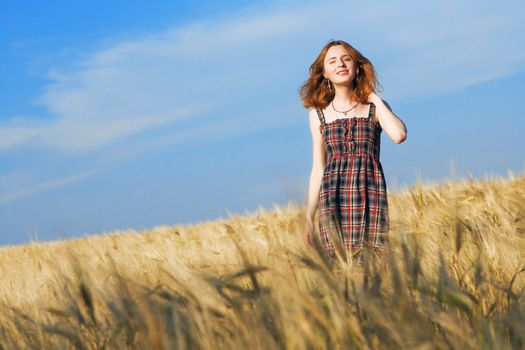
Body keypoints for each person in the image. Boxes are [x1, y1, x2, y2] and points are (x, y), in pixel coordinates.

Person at [300, 39, 407, 267]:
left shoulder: (375, 108)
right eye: (332, 61)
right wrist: (309, 217)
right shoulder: (318, 114)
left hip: (370, 192)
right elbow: (318, 168)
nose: (340, 64)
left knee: (372, 264)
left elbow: (399, 135)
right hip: (333, 197)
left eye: (346, 59)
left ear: (357, 66)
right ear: (325, 73)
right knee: (339, 267)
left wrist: (374, 98)